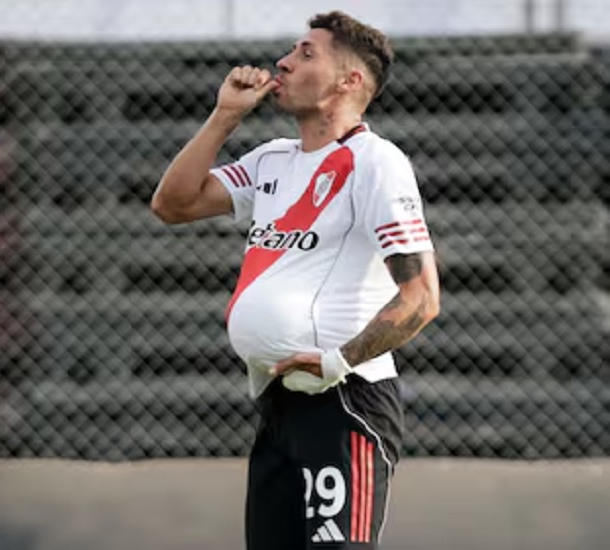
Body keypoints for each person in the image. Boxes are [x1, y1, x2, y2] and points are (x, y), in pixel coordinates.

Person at [151, 11, 440, 550]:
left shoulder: (376, 161)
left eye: (307, 54)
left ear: (349, 80)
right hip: (279, 405)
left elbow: (421, 299)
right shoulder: (272, 160)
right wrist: (224, 116)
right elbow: (173, 204)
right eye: (290, 50)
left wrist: (336, 361)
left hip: (345, 401)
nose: (283, 62)